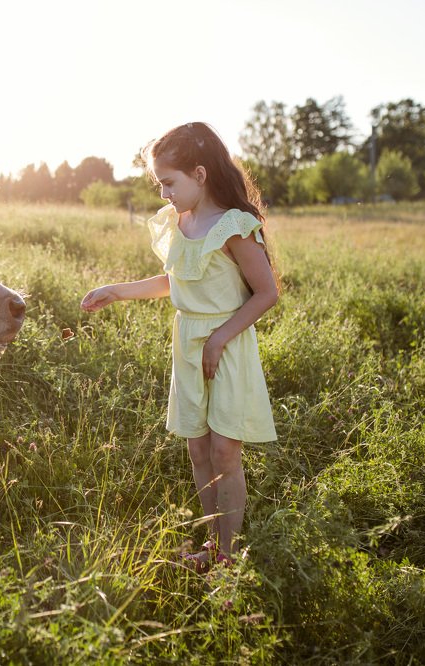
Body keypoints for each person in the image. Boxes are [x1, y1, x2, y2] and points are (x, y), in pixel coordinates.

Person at [80, 122, 278, 571]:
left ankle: (229, 557)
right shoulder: (178, 222)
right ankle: (213, 543)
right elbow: (176, 281)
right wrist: (117, 290)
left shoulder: (234, 226)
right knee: (198, 448)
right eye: (159, 184)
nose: (164, 194)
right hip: (188, 343)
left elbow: (267, 293)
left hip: (225, 344)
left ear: (201, 174)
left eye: (169, 182)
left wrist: (221, 338)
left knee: (225, 450)